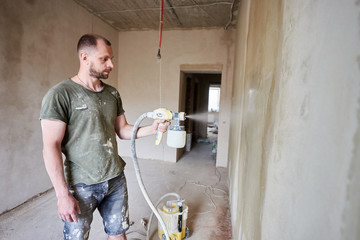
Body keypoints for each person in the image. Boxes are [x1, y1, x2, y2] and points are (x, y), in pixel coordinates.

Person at [40, 33, 169, 240]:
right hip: (81, 186)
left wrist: (152, 129)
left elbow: (123, 130)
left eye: (112, 59)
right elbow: (50, 147)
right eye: (104, 59)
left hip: (115, 179)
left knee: (118, 234)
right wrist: (62, 195)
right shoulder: (60, 95)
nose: (111, 64)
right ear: (84, 57)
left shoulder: (112, 94)